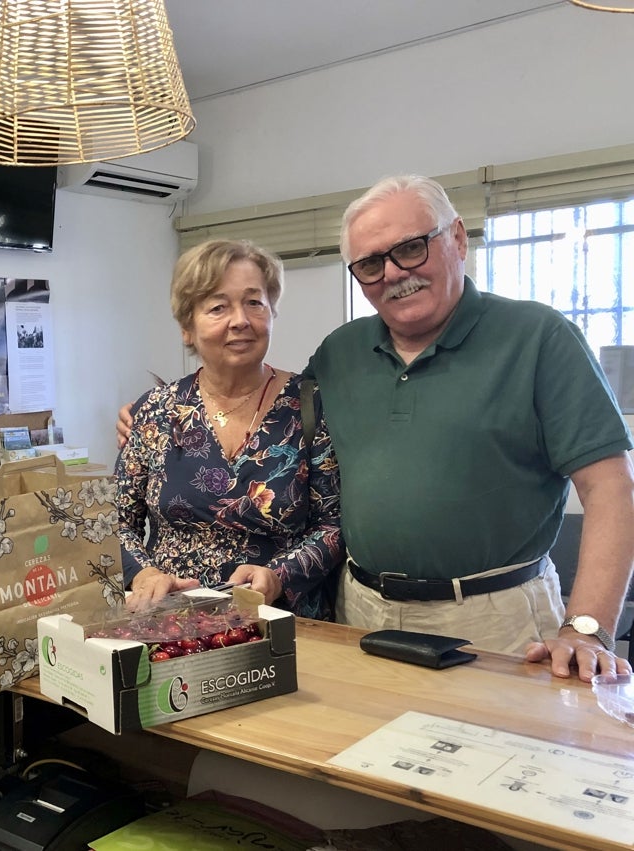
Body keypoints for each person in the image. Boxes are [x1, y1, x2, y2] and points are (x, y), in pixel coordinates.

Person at [119, 175, 634, 682]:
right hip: (359, 611)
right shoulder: (340, 355)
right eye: (369, 264)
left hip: (495, 619)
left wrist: (587, 628)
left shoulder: (540, 338)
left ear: (456, 238)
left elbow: (611, 488)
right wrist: (142, 419)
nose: (393, 273)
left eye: (411, 248)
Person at [117, 239, 343, 618]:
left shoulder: (310, 406)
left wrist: (279, 575)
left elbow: (333, 524)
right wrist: (144, 574)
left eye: (254, 302)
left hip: (284, 623)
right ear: (187, 328)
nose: (240, 320)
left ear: (271, 312)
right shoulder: (154, 412)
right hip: (174, 624)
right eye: (218, 307)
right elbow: (117, 522)